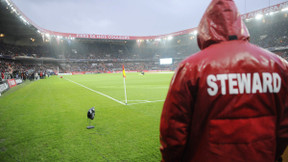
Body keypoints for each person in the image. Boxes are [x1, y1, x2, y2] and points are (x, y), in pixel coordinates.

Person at [159, 0, 288, 161]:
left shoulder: (190, 68)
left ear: (206, 27)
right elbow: (284, 128)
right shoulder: (278, 65)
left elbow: (173, 132)